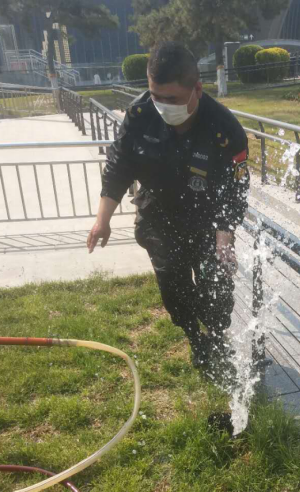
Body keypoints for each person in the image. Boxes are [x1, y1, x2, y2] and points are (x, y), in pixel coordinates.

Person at [87, 42, 250, 375]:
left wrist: (225, 237)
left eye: (172, 99)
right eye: (155, 96)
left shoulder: (224, 128)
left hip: (208, 220)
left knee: (215, 289)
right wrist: (102, 220)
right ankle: (195, 338)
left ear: (197, 89)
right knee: (174, 290)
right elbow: (119, 166)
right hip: (160, 217)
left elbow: (235, 188)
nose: (162, 106)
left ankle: (216, 336)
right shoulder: (140, 115)